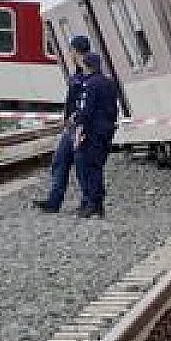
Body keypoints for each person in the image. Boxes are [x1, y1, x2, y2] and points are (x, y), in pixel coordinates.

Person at [33, 36, 118, 218]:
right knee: (62, 161)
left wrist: (77, 123)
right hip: (77, 126)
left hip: (83, 127)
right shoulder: (88, 76)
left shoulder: (87, 79)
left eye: (71, 50)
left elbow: (85, 106)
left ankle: (89, 202)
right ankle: (55, 201)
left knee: (84, 165)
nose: (70, 54)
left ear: (75, 51)